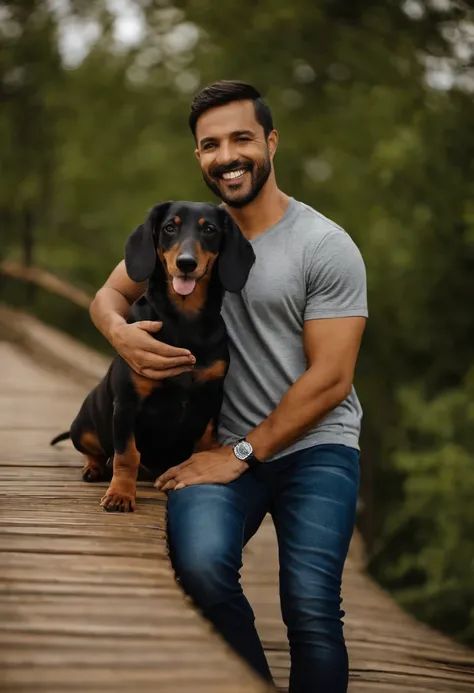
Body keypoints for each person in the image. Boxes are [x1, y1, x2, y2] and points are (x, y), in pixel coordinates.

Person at [89, 80, 368, 693]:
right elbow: (110, 294)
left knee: (312, 611)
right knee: (200, 568)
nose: (228, 155)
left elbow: (332, 377)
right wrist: (118, 331)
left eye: (242, 138)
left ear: (270, 142)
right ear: (199, 158)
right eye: (210, 144)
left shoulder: (325, 246)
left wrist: (242, 452)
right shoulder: (191, 230)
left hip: (314, 448)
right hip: (216, 446)